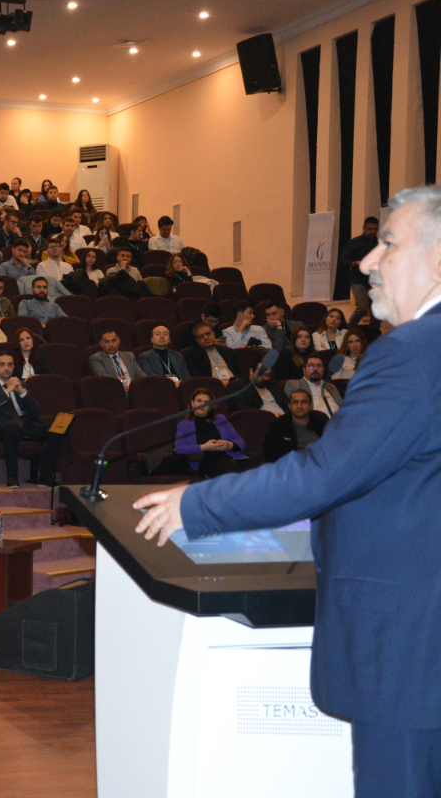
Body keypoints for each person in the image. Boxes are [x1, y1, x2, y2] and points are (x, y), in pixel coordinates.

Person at [136, 185, 441, 796]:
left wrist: (196, 504)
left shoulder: (411, 354)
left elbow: (327, 473)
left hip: (407, 641)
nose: (366, 262)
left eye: (387, 244)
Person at [0, 352, 61, 488]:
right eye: (2, 365)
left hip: (24, 425)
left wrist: (22, 392)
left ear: (13, 367)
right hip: (0, 427)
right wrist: (7, 391)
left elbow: (36, 412)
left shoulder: (21, 384)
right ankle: (12, 477)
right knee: (12, 426)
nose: (6, 368)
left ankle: (46, 476)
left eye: (9, 365)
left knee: (57, 428)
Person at [173, 388, 256, 477]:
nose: (202, 404)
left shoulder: (221, 419)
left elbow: (240, 442)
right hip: (206, 462)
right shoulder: (183, 425)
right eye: (199, 401)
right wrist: (203, 447)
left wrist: (229, 445)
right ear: (192, 403)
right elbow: (179, 449)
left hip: (228, 457)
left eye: (206, 402)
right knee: (232, 468)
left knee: (253, 464)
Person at [340, 216, 379, 325]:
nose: (373, 231)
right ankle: (347, 330)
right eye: (370, 229)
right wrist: (357, 263)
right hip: (358, 279)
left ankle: (373, 333)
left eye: (375, 229)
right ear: (364, 228)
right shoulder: (354, 243)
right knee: (362, 308)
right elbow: (342, 262)